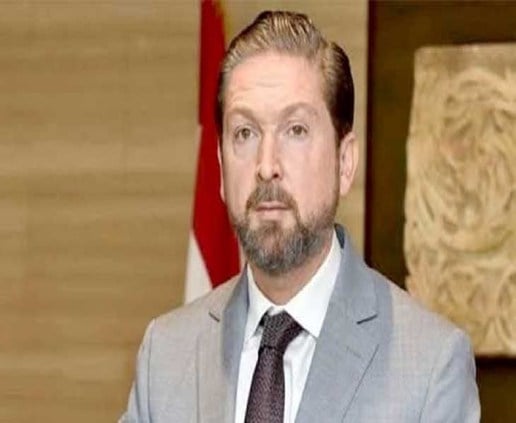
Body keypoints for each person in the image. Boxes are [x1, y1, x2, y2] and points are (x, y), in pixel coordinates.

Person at [120, 10, 480, 423]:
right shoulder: (165, 355)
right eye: (245, 133)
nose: (266, 165)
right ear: (220, 168)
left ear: (344, 163)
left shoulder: (431, 365)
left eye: (295, 130)